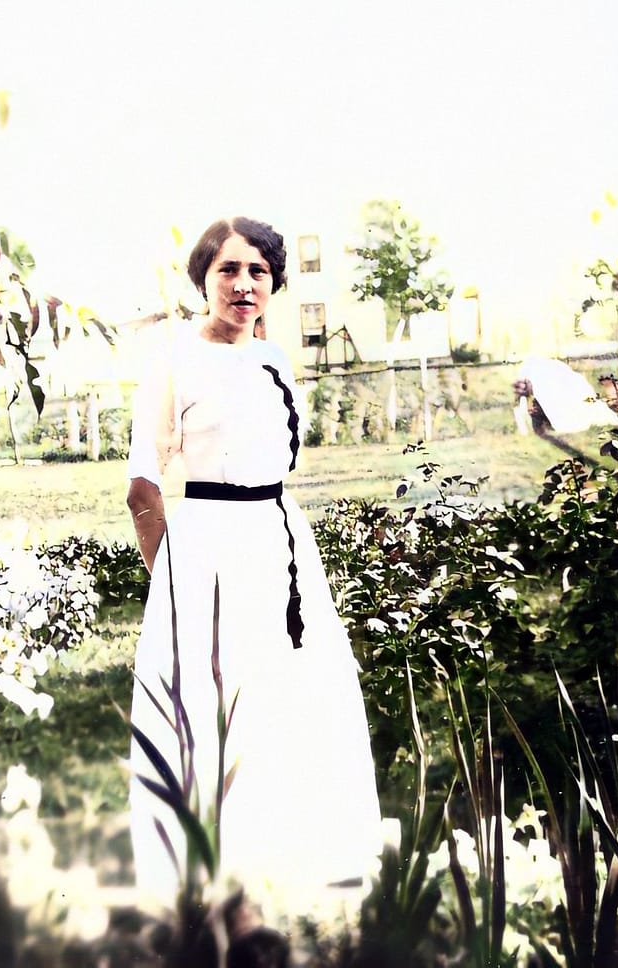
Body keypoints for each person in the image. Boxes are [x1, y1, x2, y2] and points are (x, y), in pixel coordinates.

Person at [126, 217, 381, 956]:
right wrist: (172, 586)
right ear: (202, 279)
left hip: (277, 553)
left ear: (273, 282)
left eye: (259, 272)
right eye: (228, 270)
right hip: (201, 553)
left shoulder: (274, 359)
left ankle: (247, 900)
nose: (244, 285)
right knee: (206, 722)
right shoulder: (172, 361)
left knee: (270, 716)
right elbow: (144, 490)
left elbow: (272, 465)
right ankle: (207, 903)